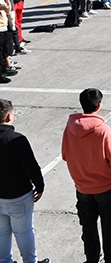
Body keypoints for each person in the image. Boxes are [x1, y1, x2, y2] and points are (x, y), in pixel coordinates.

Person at [61, 88, 111, 263]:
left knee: (88, 228)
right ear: (99, 105)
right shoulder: (104, 131)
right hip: (105, 187)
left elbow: (65, 155)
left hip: (81, 187)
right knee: (110, 227)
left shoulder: (69, 128)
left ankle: (92, 259)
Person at [0, 99, 48, 263]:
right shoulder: (16, 139)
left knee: (1, 233)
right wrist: (40, 186)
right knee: (24, 232)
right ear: (8, 117)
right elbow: (32, 167)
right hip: (18, 196)